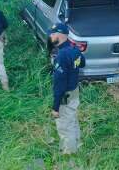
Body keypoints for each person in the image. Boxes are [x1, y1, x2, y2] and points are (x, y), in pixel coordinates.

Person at [48, 23, 85, 155]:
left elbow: (59, 85)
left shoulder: (62, 55)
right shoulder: (74, 49)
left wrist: (55, 108)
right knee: (72, 119)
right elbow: (83, 62)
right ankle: (77, 144)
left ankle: (69, 155)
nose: (50, 36)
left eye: (52, 33)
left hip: (65, 95)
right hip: (74, 91)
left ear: (60, 35)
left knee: (64, 126)